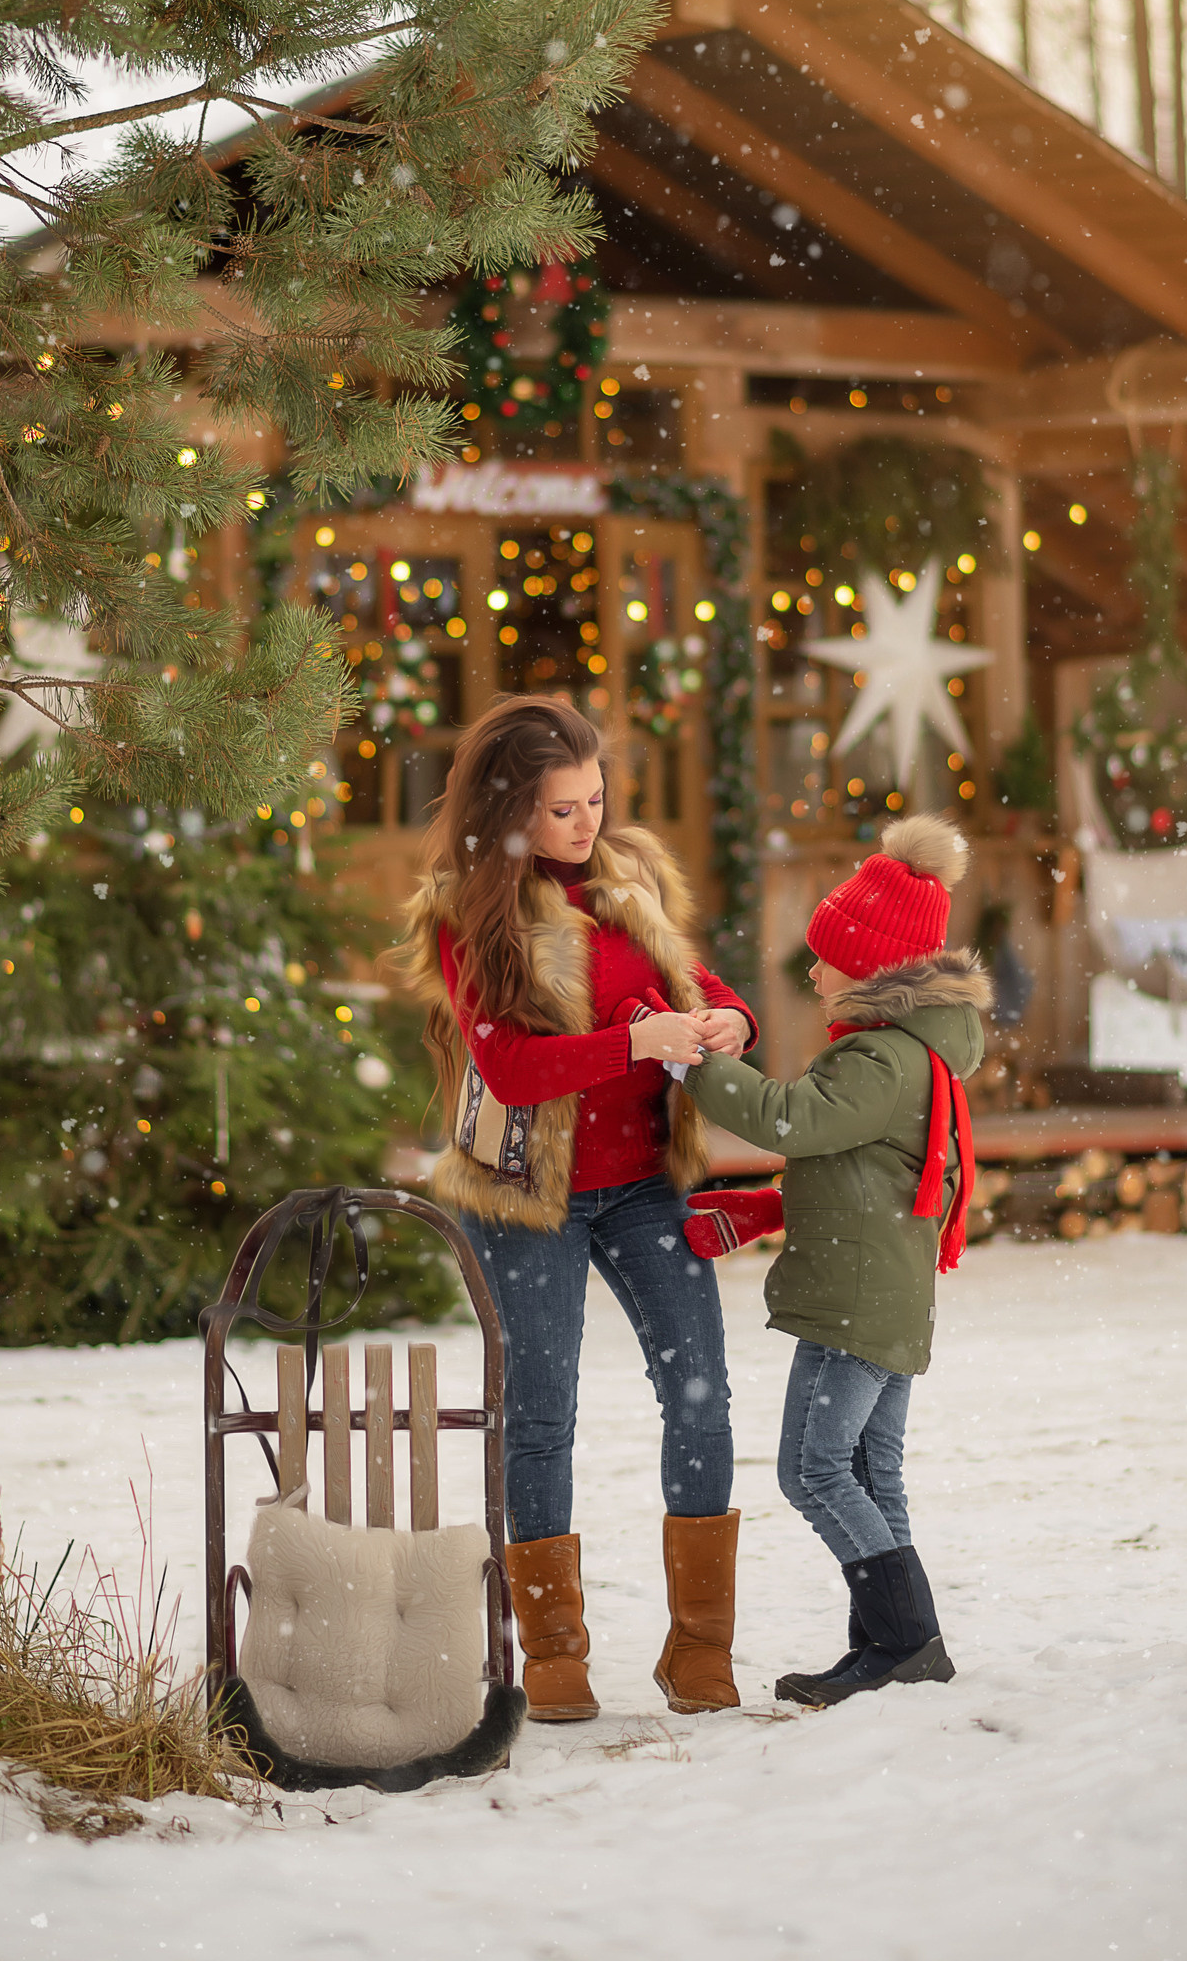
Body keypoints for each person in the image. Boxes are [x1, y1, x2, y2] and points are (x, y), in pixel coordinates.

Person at [400, 694, 759, 1722]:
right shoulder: (468, 912)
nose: (586, 823)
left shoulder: (626, 880)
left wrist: (726, 1016)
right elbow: (509, 1068)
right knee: (541, 1414)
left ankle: (699, 1643)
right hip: (524, 1193)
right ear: (514, 810)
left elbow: (699, 981)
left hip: (643, 1178)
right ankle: (551, 1648)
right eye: (563, 809)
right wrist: (632, 1044)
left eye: (594, 800)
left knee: (699, 1391)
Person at [685, 813, 989, 1707]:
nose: (811, 971)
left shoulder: (879, 1060)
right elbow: (852, 1172)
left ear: (875, 969)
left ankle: (900, 1639)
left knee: (813, 1470)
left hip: (857, 1303)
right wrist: (772, 1205)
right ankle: (895, 1645)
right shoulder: (914, 1053)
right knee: (868, 1469)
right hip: (885, 1295)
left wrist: (693, 1063)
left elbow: (789, 1119)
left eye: (825, 956)